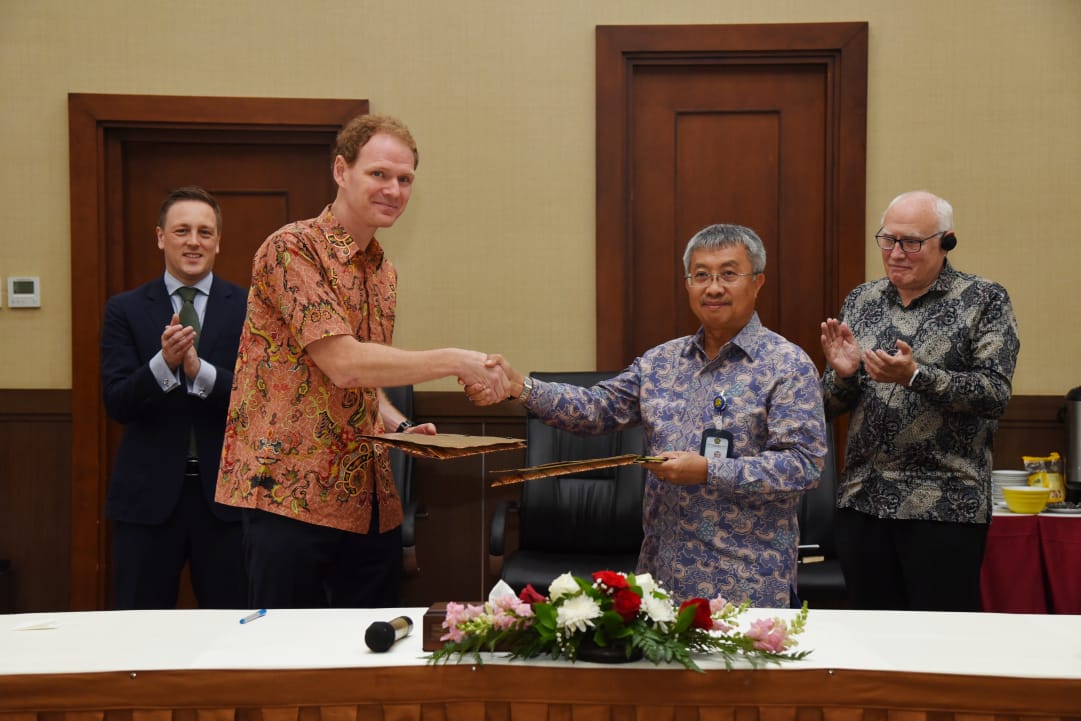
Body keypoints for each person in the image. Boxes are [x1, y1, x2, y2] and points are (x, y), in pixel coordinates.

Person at [215, 113, 507, 609]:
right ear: (340, 171)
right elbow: (344, 363)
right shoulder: (291, 249)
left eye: (405, 179)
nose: (394, 189)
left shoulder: (384, 271)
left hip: (369, 501)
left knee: (370, 645)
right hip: (291, 497)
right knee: (287, 650)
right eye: (379, 174)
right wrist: (455, 359)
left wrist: (398, 426)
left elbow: (362, 382)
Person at [474, 224, 827, 607]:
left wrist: (708, 470)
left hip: (747, 586)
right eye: (701, 275)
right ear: (688, 284)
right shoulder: (661, 362)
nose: (713, 288)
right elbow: (596, 409)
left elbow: (803, 465)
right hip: (661, 585)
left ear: (757, 282)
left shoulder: (788, 365)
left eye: (728, 274)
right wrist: (520, 386)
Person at [820, 190, 1020, 612]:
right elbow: (827, 405)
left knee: (939, 639)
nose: (896, 253)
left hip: (944, 505)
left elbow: (994, 394)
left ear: (946, 241)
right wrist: (844, 374)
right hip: (863, 500)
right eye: (888, 240)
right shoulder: (862, 300)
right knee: (871, 636)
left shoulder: (984, 300)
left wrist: (915, 376)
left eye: (911, 242)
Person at [101, 186, 247, 609]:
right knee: (140, 628)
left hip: (226, 502)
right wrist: (163, 364)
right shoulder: (124, 309)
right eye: (182, 231)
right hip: (146, 501)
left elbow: (259, 402)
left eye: (205, 232)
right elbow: (117, 402)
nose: (193, 242)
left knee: (233, 628)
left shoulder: (249, 307)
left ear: (218, 241)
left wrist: (201, 373)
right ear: (161, 237)